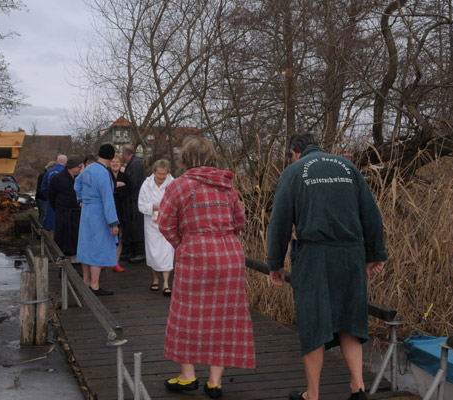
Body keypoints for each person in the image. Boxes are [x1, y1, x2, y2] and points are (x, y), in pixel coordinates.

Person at [267, 132, 388, 400]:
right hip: (351, 255)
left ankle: (312, 394)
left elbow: (280, 223)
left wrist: (274, 263)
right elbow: (371, 214)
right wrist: (376, 254)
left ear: (294, 152)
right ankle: (358, 388)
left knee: (314, 323)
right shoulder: (349, 168)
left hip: (314, 256)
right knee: (350, 320)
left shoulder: (294, 172)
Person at [157, 136, 255, 399]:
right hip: (230, 255)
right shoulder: (226, 185)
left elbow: (165, 223)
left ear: (185, 159)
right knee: (224, 317)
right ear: (211, 158)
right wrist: (222, 238)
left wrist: (185, 243)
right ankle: (215, 382)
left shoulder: (179, 186)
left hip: (196, 254)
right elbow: (239, 221)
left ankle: (188, 377)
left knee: (185, 314)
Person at [74, 144, 120, 296]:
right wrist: (113, 222)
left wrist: (81, 198)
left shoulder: (88, 169)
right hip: (98, 212)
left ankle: (86, 282)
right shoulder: (103, 173)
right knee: (97, 248)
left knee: (86, 247)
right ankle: (94, 285)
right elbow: (107, 199)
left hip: (86, 211)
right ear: (112, 157)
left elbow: (77, 183)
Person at [138, 159, 174, 295]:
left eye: (164, 174)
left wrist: (165, 209)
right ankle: (155, 279)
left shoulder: (173, 183)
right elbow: (141, 205)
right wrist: (154, 207)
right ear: (154, 172)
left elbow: (176, 202)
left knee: (167, 252)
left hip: (168, 222)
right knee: (153, 252)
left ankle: (166, 282)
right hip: (151, 223)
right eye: (159, 174)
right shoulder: (146, 184)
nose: (162, 177)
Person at [47, 156, 84, 264]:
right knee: (63, 239)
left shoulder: (78, 178)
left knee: (74, 239)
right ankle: (62, 264)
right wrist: (59, 208)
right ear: (74, 167)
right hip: (63, 213)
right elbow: (51, 195)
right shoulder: (58, 179)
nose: (80, 169)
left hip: (75, 213)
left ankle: (75, 262)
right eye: (79, 167)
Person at [120, 144, 146, 263]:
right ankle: (132, 251)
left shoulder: (135, 164)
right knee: (132, 227)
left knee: (137, 227)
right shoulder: (135, 163)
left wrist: (121, 188)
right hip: (132, 200)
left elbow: (133, 183)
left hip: (135, 200)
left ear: (125, 154)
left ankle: (140, 252)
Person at [109, 154, 130, 272]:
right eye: (112, 162)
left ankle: (115, 263)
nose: (115, 164)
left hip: (121, 209)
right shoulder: (106, 176)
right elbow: (104, 190)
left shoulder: (125, 176)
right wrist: (116, 186)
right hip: (108, 209)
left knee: (119, 237)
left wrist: (114, 190)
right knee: (106, 235)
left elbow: (128, 190)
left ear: (120, 163)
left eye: (117, 162)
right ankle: (102, 261)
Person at [41, 153, 67, 239]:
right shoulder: (67, 172)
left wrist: (49, 197)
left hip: (51, 203)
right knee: (63, 225)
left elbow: (43, 187)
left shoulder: (49, 172)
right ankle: (62, 245)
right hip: (64, 203)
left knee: (52, 225)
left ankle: (52, 246)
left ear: (56, 161)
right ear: (66, 162)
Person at [36, 161, 56, 226]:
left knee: (45, 215)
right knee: (43, 215)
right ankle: (40, 229)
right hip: (42, 198)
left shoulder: (46, 174)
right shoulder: (43, 175)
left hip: (44, 197)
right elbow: (41, 188)